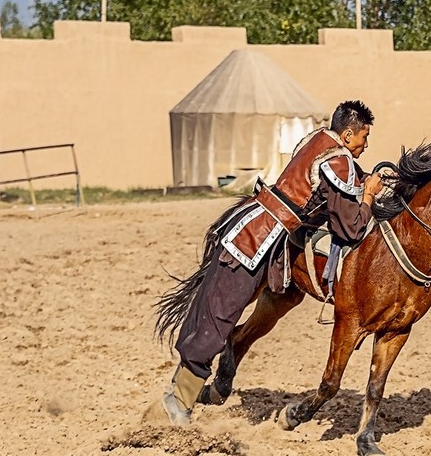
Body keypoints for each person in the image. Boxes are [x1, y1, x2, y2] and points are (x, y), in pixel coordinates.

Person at [152, 99, 384, 425]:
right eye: (364, 137)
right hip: (256, 238)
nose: (366, 144)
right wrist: (370, 195)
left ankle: (182, 397)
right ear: (348, 134)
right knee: (220, 315)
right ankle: (176, 403)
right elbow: (351, 226)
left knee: (219, 312)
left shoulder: (317, 140)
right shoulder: (340, 159)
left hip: (259, 227)